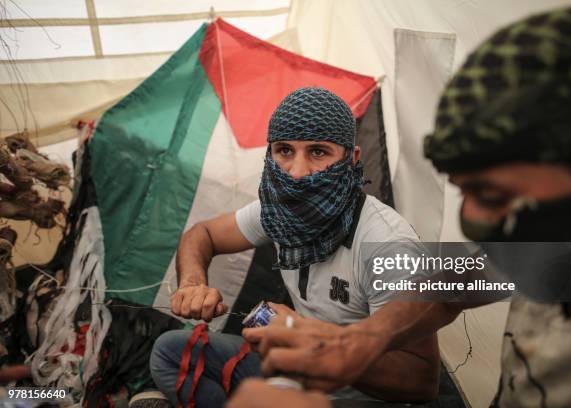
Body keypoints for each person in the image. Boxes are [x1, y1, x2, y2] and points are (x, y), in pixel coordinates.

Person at [232, 7, 571, 408]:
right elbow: (452, 288)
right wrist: (359, 340)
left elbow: (419, 379)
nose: (474, 222)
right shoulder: (567, 245)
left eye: (495, 195)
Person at [148, 87, 440, 407]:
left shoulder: (386, 246)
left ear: (351, 158)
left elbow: (421, 380)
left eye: (318, 152)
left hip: (353, 398)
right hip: (293, 375)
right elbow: (202, 234)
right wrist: (192, 283)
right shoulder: (279, 214)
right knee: (168, 353)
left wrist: (320, 346)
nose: (298, 173)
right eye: (285, 150)